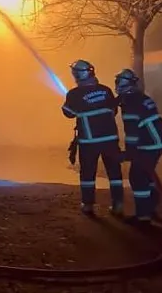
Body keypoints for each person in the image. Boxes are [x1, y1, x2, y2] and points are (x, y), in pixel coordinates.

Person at [62, 59, 124, 217]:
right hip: (110, 139)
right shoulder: (106, 90)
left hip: (89, 142)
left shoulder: (74, 94)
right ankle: (118, 204)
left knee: (88, 174)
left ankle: (88, 205)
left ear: (78, 74)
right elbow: (114, 110)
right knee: (114, 172)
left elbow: (68, 113)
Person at [115, 69, 162, 226]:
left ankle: (143, 216)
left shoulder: (130, 103)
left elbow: (132, 133)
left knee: (137, 178)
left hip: (148, 144)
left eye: (118, 82)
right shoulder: (140, 98)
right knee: (147, 176)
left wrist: (129, 153)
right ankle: (151, 207)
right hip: (158, 142)